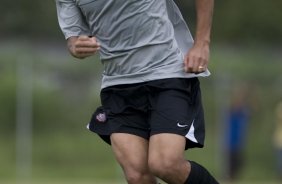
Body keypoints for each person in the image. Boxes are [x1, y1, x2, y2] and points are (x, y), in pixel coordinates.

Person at [55, 0, 218, 183]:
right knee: (137, 175)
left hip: (167, 74)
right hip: (117, 85)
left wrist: (202, 42)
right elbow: (73, 40)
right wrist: (76, 46)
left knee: (165, 164)